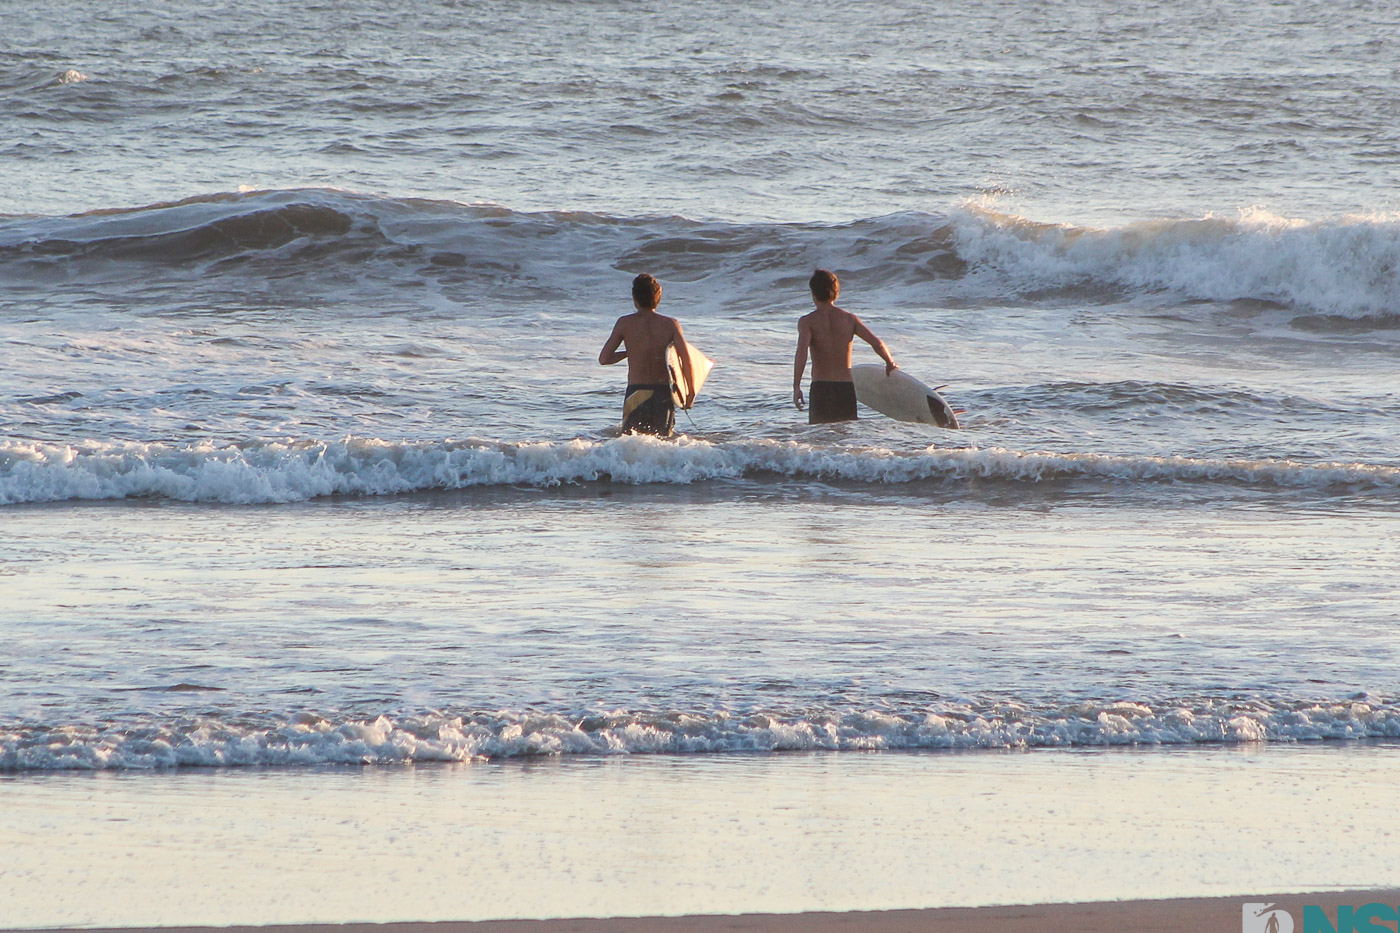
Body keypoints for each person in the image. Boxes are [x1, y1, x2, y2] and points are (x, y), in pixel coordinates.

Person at [792, 269, 896, 423]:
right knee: (845, 438)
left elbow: (802, 353)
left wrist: (796, 386)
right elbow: (877, 343)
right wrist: (889, 362)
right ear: (836, 292)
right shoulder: (849, 319)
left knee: (819, 438)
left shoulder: (807, 322)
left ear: (813, 293)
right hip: (845, 388)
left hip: (821, 387)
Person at [598, 273, 695, 437]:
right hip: (662, 393)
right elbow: (686, 360)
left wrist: (629, 352)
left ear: (634, 298)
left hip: (636, 392)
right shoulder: (670, 324)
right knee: (663, 442)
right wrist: (690, 393)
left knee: (632, 443)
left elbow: (604, 359)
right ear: (658, 297)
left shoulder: (624, 323)